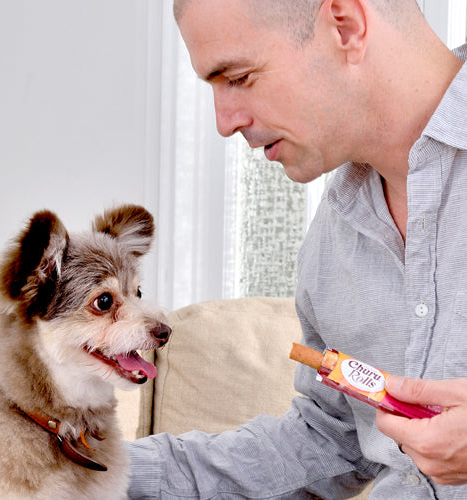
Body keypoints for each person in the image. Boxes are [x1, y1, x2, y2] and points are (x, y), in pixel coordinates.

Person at [126, 0, 467, 497]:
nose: (224, 122)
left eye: (238, 77)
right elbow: (330, 442)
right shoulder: (333, 240)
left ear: (345, 25)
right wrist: (91, 469)